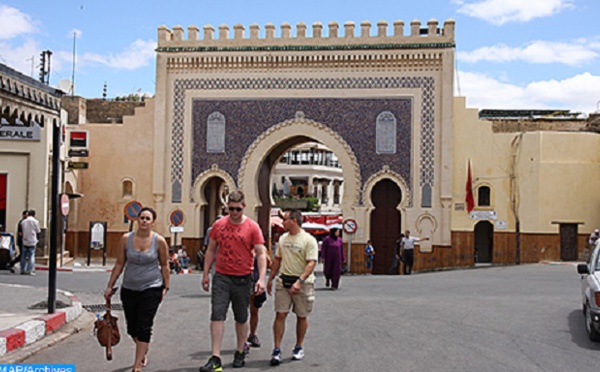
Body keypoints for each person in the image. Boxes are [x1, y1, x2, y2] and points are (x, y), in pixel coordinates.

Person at [200, 190, 267, 371]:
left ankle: (240, 351)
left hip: (243, 278)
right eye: (231, 209)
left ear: (244, 207)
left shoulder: (252, 227)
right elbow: (211, 250)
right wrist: (206, 273)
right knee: (217, 314)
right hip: (222, 276)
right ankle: (215, 357)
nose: (234, 213)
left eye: (238, 209)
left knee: (241, 317)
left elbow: (261, 254)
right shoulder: (219, 225)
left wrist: (261, 279)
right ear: (227, 207)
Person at [104, 207, 170, 372]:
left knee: (144, 325)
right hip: (129, 288)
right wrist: (110, 285)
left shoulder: (159, 241)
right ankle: (143, 348)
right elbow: (120, 263)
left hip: (152, 288)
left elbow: (164, 265)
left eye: (148, 218)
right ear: (137, 220)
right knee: (132, 328)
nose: (144, 221)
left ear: (153, 222)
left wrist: (166, 286)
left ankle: (137, 365)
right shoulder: (126, 239)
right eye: (142, 218)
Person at [267, 209, 318, 366]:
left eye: (285, 219)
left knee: (301, 315)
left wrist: (300, 281)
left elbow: (311, 262)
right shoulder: (283, 239)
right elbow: (277, 259)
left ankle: (298, 346)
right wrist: (270, 279)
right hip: (284, 282)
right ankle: (277, 349)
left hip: (303, 283)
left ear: (294, 221)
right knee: (280, 314)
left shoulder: (308, 240)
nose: (283, 222)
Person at [20, 210, 40, 275]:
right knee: (31, 255)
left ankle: (22, 269)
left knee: (23, 255)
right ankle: (29, 270)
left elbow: (22, 230)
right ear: (34, 215)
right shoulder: (35, 221)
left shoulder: (23, 222)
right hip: (32, 240)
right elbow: (38, 231)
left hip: (25, 240)